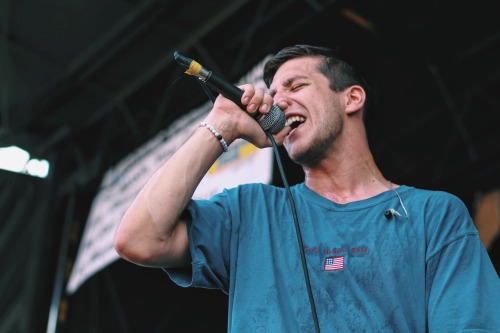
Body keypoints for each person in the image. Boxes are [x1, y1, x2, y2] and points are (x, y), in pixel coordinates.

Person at [114, 44, 500, 332]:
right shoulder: (250, 212)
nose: (278, 102)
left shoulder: (433, 214)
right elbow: (139, 240)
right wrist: (223, 123)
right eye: (274, 95)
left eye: (296, 86)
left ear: (352, 98)